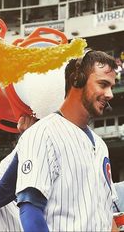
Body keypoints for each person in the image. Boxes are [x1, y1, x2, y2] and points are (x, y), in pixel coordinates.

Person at [15, 50, 119, 231]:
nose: (110, 94)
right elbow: (30, 210)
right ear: (76, 80)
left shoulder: (100, 144)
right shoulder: (42, 133)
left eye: (111, 86)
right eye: (103, 84)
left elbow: (105, 214)